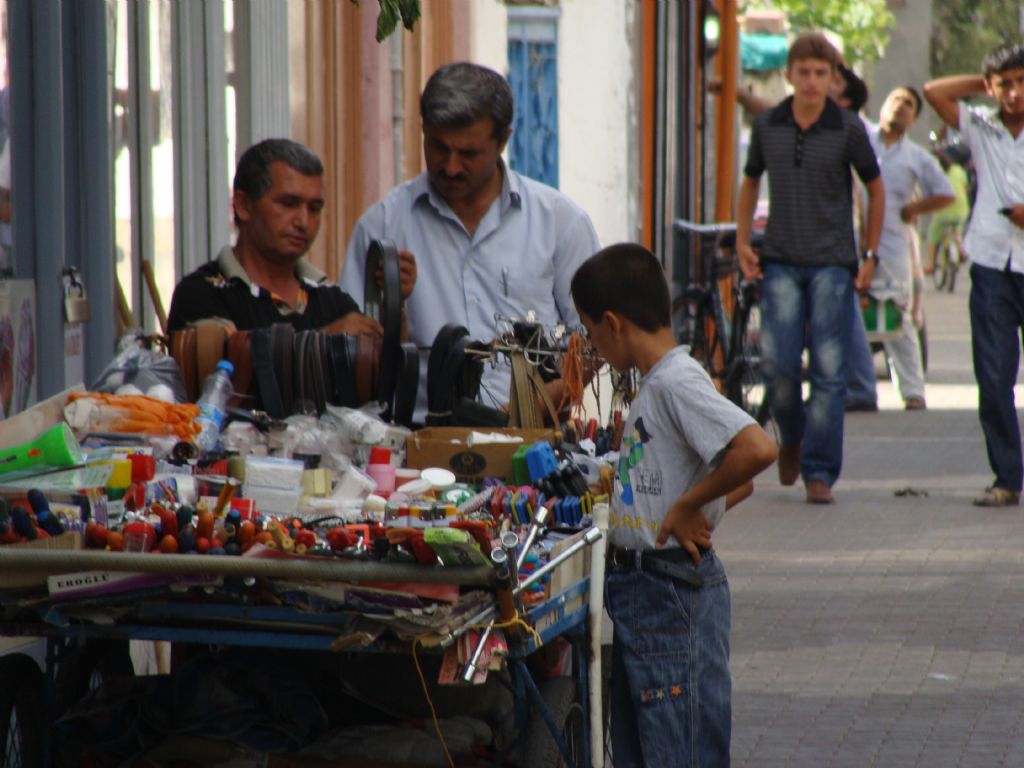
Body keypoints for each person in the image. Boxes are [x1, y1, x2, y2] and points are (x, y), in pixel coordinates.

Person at [570, 242, 776, 766]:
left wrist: (687, 507)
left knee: (677, 750)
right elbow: (737, 479)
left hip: (668, 595)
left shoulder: (675, 382)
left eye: (592, 335)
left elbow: (756, 449)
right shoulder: (661, 383)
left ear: (613, 323)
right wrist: (694, 504)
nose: (594, 348)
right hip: (649, 594)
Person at [341, 62, 600, 423]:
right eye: (437, 147)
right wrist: (392, 307)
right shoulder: (383, 226)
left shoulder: (560, 223)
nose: (449, 167)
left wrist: (534, 408)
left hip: (533, 445)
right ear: (422, 131)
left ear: (504, 141)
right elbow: (356, 350)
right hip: (417, 445)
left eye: (468, 153)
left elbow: (593, 339)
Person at [736, 31, 884, 504]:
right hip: (779, 259)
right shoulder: (768, 125)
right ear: (789, 74)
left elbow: (875, 189)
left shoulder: (848, 128)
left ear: (833, 77)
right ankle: (793, 440)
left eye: (822, 73)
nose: (813, 81)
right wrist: (743, 241)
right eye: (804, 72)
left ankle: (819, 471)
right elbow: (749, 182)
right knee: (778, 365)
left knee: (829, 369)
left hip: (833, 265)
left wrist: (871, 254)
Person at [925, 43, 1024, 507]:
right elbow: (932, 91)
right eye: (1006, 83)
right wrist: (983, 78)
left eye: (1023, 82)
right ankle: (1006, 479)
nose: (1015, 93)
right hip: (990, 264)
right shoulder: (980, 126)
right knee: (994, 374)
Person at [167, 138, 397, 336]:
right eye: (289, 204)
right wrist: (323, 343)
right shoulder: (202, 294)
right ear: (244, 205)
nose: (303, 222)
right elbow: (226, 368)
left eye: (314, 208)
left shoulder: (331, 299)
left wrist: (395, 302)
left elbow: (380, 374)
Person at [863, 86, 954, 411]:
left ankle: (912, 391)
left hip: (892, 246)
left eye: (909, 105)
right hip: (852, 244)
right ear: (883, 104)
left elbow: (946, 193)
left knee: (899, 319)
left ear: (914, 117)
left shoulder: (916, 157)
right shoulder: (860, 138)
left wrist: (913, 210)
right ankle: (856, 388)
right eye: (896, 99)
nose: (900, 107)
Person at [923, 146, 971, 275]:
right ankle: (961, 249)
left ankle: (929, 264)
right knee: (957, 230)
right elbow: (965, 188)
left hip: (943, 209)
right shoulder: (959, 170)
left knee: (933, 235)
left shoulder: (936, 172)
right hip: (961, 209)